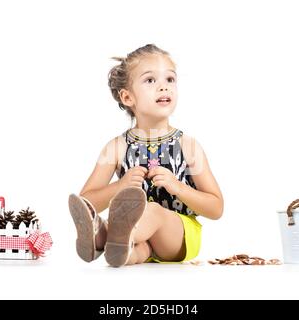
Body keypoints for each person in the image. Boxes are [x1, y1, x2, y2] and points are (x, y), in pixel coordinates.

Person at [69, 44, 223, 267]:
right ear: (127, 97)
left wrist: (177, 187)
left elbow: (216, 207)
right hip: (144, 239)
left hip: (179, 236)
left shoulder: (188, 147)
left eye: (170, 79)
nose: (164, 87)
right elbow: (86, 203)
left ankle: (103, 235)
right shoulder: (116, 148)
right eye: (151, 80)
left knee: (153, 211)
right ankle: (121, 250)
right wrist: (119, 185)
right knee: (134, 253)